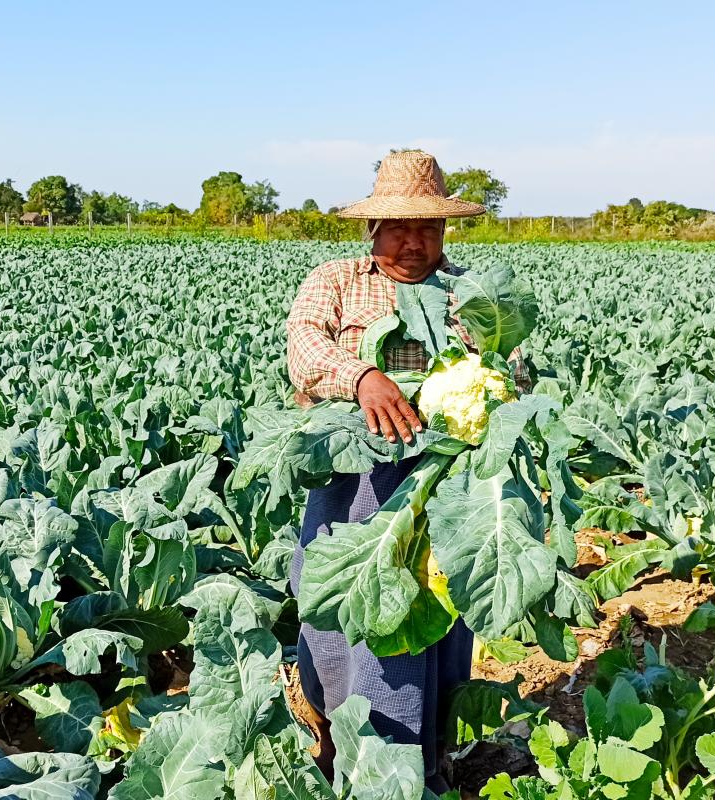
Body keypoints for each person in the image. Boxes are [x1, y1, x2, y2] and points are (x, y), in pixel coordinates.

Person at [285, 150, 527, 791]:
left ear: (445, 230)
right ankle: (336, 738)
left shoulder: (471, 293)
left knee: (432, 617)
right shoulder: (336, 281)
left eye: (428, 228)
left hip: (443, 487)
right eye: (398, 227)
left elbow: (513, 369)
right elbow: (304, 347)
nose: (413, 242)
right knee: (342, 610)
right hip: (352, 484)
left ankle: (423, 758)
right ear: (374, 227)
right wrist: (362, 377)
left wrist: (495, 393)